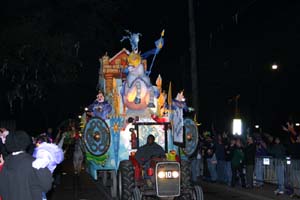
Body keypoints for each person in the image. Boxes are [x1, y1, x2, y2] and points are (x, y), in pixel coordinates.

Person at [0, 130, 53, 200]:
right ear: (25, 141)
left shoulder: (6, 163)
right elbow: (47, 186)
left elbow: (3, 189)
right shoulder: (34, 162)